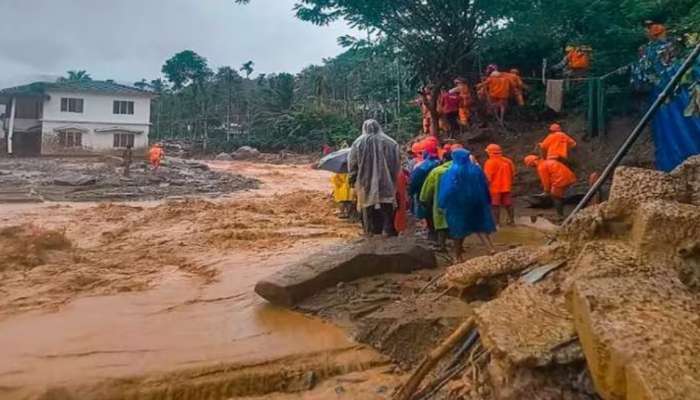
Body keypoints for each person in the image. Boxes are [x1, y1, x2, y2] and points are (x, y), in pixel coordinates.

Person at [438, 149, 497, 260]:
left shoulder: (451, 172)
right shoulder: (476, 170)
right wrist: (487, 199)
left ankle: (458, 257)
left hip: (458, 205)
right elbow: (485, 185)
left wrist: (442, 204)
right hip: (477, 202)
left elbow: (447, 190)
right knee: (480, 226)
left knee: (458, 230)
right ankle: (491, 248)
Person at [348, 119, 401, 237]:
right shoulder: (390, 142)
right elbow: (396, 164)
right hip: (386, 181)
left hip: (364, 182)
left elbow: (352, 164)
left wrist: (352, 179)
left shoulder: (357, 143)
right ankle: (388, 231)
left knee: (367, 207)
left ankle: (369, 232)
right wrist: (393, 179)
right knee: (387, 206)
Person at [420, 159, 452, 251]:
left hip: (439, 200)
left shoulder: (437, 171)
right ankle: (459, 247)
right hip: (457, 201)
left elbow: (428, 186)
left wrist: (424, 199)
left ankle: (442, 245)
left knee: (441, 221)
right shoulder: (462, 169)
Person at [483, 144, 516, 226]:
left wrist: (485, 187)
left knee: (495, 205)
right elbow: (513, 173)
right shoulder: (508, 161)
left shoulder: (489, 162)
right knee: (508, 204)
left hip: (494, 188)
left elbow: (488, 178)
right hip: (506, 187)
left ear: (490, 152)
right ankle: (512, 221)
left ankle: (496, 223)